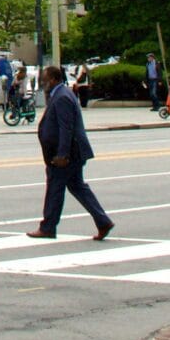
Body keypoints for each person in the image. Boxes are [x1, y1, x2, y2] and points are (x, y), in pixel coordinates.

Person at [28, 63, 113, 241]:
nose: (43, 83)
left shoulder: (62, 97)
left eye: (44, 80)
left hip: (68, 155)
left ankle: (48, 227)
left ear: (53, 79)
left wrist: (62, 155)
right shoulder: (60, 94)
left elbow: (66, 128)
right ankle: (103, 221)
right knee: (77, 186)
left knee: (55, 188)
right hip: (71, 153)